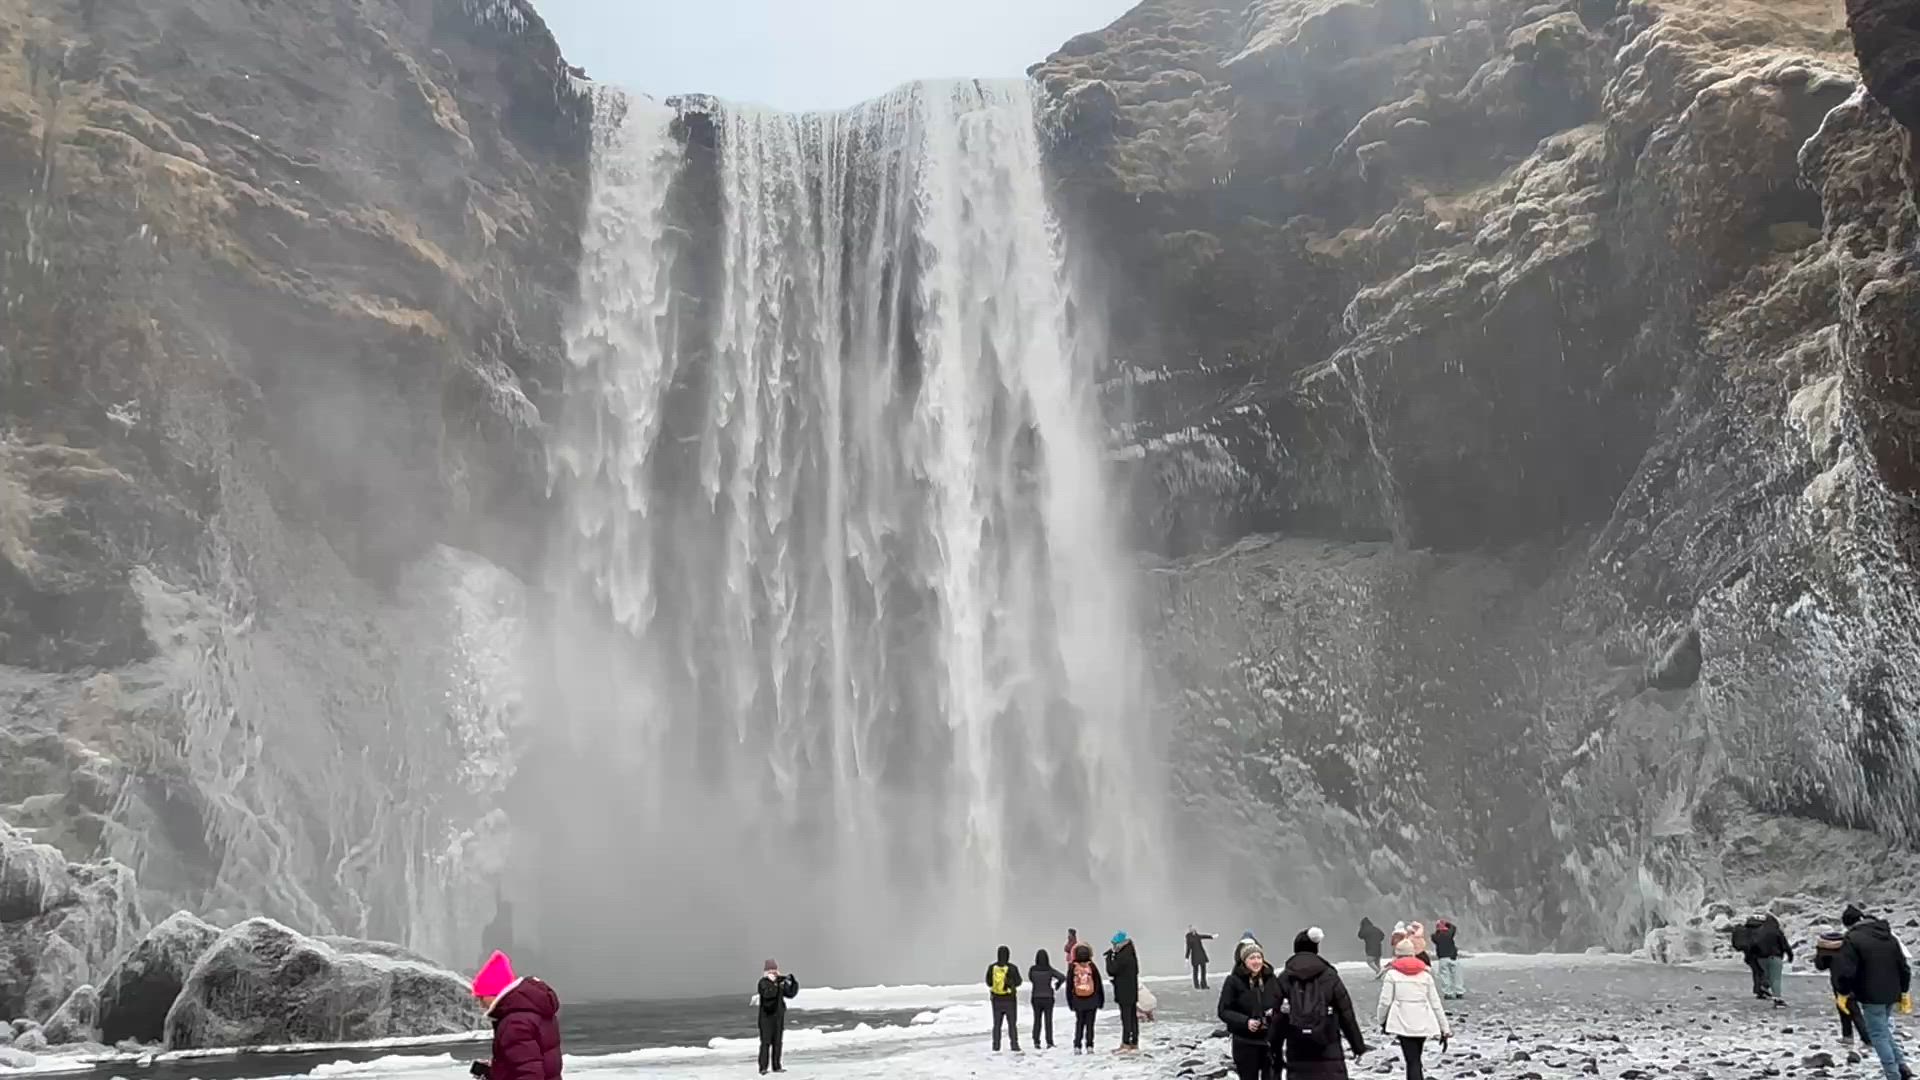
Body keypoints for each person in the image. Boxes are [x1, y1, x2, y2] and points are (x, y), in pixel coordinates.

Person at [1273, 927, 1368, 1080]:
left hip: (1297, 1047)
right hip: (1327, 1046)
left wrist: (1273, 1048)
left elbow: (1276, 1015)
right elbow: (1346, 1013)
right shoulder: (1329, 975)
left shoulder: (1284, 977)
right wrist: (1358, 1046)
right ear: (1316, 949)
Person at [1833, 906, 1914, 1080]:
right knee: (1884, 1030)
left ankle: (1893, 1075)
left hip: (1871, 994)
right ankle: (1902, 1066)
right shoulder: (1889, 936)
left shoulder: (1852, 938)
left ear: (1849, 925)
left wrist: (1843, 992)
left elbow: (1846, 971)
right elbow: (1904, 967)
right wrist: (1904, 991)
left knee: (1877, 1035)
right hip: (1892, 992)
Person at [469, 951, 561, 1080]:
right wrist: (495, 1071)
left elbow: (530, 1073)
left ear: (493, 994)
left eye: (481, 997)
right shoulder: (534, 1011)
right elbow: (532, 1063)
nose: (480, 1004)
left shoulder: (514, 1022)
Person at [1377, 934, 1450, 1080]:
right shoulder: (1425, 975)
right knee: (1416, 1058)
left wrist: (1381, 1021)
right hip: (1422, 1021)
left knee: (1412, 1060)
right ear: (1413, 954)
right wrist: (1445, 1028)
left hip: (1402, 1022)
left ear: (1397, 955)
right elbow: (1435, 1004)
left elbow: (1385, 1002)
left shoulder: (1392, 975)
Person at [1218, 939, 1280, 1080]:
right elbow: (1223, 1011)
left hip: (1268, 1041)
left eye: (1259, 957)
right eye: (1252, 958)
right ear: (1244, 961)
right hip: (1245, 1042)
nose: (1256, 961)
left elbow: (1280, 1002)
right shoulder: (1233, 981)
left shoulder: (1271, 979)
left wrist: (1276, 1012)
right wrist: (1245, 1022)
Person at [1814, 925, 1864, 1043]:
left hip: (1841, 982)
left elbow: (1820, 966)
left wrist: (1819, 952)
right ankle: (1848, 1036)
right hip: (1854, 979)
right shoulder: (1848, 946)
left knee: (1851, 1010)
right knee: (1847, 1008)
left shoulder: (1828, 952)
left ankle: (1866, 1039)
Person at [753, 959, 800, 1074]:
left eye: (775, 969)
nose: (773, 972)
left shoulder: (779, 983)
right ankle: (763, 1068)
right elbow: (768, 994)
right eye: (770, 970)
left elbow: (790, 994)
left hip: (778, 1017)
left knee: (778, 1042)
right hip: (766, 1018)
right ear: (766, 971)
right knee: (766, 1042)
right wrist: (775, 984)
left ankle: (777, 1066)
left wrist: (792, 982)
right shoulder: (763, 983)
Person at [1066, 942, 1106, 1053]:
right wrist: (1101, 1000)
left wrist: (1070, 1002)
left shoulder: (1073, 967)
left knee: (1079, 1023)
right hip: (1092, 1000)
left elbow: (1069, 985)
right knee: (1090, 1024)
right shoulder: (1092, 966)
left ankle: (1077, 1046)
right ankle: (1090, 1046)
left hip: (1078, 1000)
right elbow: (1098, 984)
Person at [1107, 931, 1142, 1052]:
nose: (1113, 946)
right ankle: (1134, 1042)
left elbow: (1112, 970)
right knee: (1132, 1017)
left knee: (1126, 1017)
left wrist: (1109, 958)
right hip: (1131, 990)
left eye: (1114, 944)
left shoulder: (1123, 955)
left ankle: (1126, 1043)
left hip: (1124, 991)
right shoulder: (1130, 953)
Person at [1749, 912, 1793, 1004]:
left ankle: (1763, 987)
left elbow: (1753, 945)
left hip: (1761, 958)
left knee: (1766, 974)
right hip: (1775, 957)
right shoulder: (1777, 932)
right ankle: (1777, 998)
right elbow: (1784, 945)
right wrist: (1790, 955)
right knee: (1776, 978)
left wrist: (1753, 957)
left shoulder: (1758, 931)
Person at [986, 945, 1024, 1051]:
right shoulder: (1012, 968)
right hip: (1010, 999)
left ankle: (996, 1046)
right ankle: (1014, 1045)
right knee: (1012, 1024)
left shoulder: (992, 967)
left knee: (997, 1024)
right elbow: (1019, 982)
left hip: (996, 999)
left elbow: (989, 982)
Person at [1029, 948, 1066, 1049]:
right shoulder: (1049, 970)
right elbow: (1062, 977)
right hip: (1048, 997)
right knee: (1048, 1021)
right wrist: (1057, 985)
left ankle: (1036, 1042)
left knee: (1037, 1020)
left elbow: (1031, 979)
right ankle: (1049, 1042)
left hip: (1036, 997)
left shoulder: (1032, 970)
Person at [1431, 919, 1463, 1000]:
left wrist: (1439, 929)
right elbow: (1453, 928)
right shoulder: (1449, 933)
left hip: (1442, 958)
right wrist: (1447, 923)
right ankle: (1459, 992)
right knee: (1457, 976)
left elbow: (1435, 935)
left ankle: (1448, 993)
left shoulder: (1435, 936)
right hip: (1453, 957)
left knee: (1445, 976)